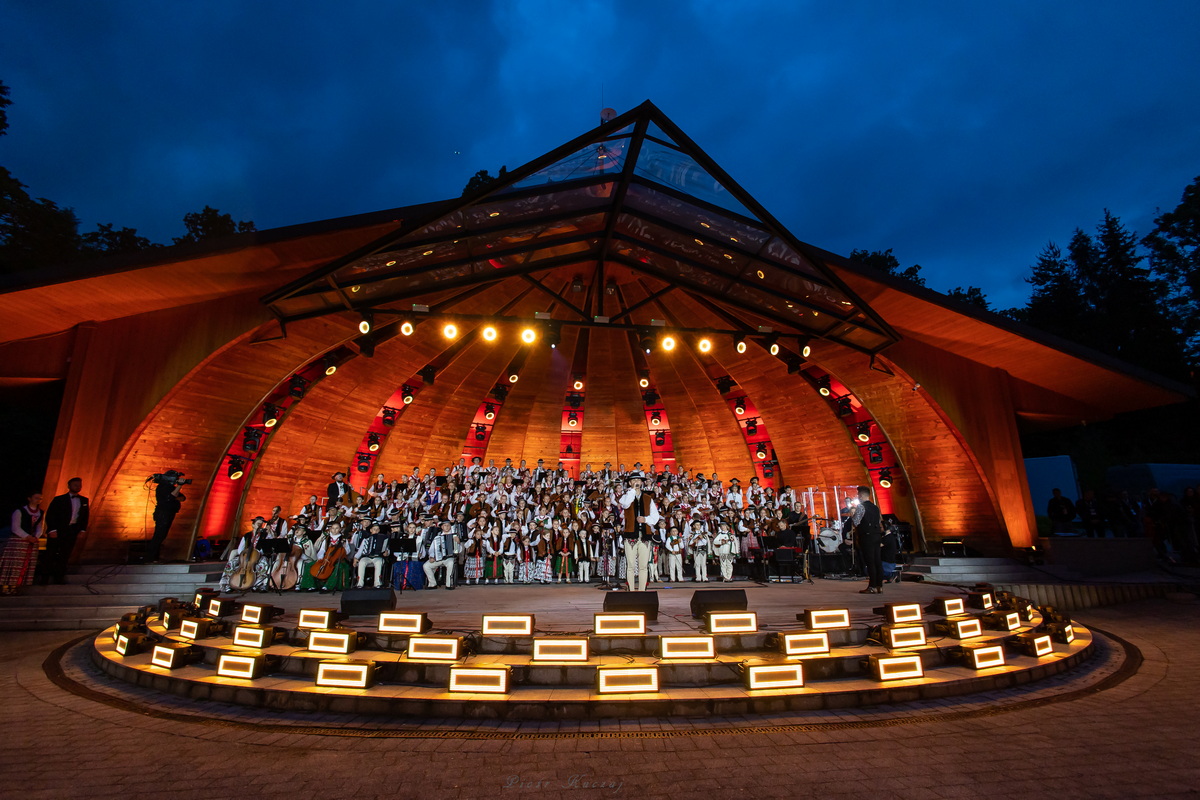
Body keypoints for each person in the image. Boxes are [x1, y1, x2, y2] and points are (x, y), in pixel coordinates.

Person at [39, 477, 89, 585]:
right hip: (58, 530)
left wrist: (82, 530)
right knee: (50, 553)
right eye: (75, 484)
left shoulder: (84, 500)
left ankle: (59, 577)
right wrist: (52, 529)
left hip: (72, 530)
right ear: (69, 486)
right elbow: (50, 515)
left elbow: (85, 516)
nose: (78, 487)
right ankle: (44, 577)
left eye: (79, 485)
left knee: (65, 554)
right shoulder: (59, 499)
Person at [617, 473, 660, 591]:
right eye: (634, 480)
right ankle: (630, 590)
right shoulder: (626, 496)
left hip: (645, 535)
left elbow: (655, 517)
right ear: (630, 483)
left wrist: (645, 519)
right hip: (630, 535)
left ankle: (642, 591)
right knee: (630, 566)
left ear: (642, 483)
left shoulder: (648, 498)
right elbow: (625, 504)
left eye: (638, 480)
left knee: (643, 566)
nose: (636, 482)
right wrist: (632, 491)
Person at [1, 492, 43, 595]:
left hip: (31, 542)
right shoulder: (20, 511)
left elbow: (40, 527)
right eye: (36, 498)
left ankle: (17, 586)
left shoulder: (40, 513)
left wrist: (36, 537)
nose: (38, 500)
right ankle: (6, 586)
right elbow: (15, 527)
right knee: (14, 564)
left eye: (40, 498)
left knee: (24, 564)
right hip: (18, 540)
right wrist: (27, 536)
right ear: (29, 498)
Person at [850, 485, 884, 594]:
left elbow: (856, 521)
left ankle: (872, 586)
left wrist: (853, 516)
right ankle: (879, 586)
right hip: (876, 535)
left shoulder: (861, 507)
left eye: (858, 494)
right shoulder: (875, 507)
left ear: (860, 495)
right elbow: (879, 522)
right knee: (877, 561)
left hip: (867, 536)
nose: (857, 496)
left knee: (870, 562)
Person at [147, 471, 185, 562]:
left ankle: (154, 557)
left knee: (162, 535)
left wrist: (174, 495)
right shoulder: (163, 487)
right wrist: (179, 487)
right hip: (163, 513)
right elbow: (171, 497)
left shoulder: (171, 488)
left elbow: (182, 498)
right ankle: (150, 557)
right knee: (159, 535)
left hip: (169, 513)